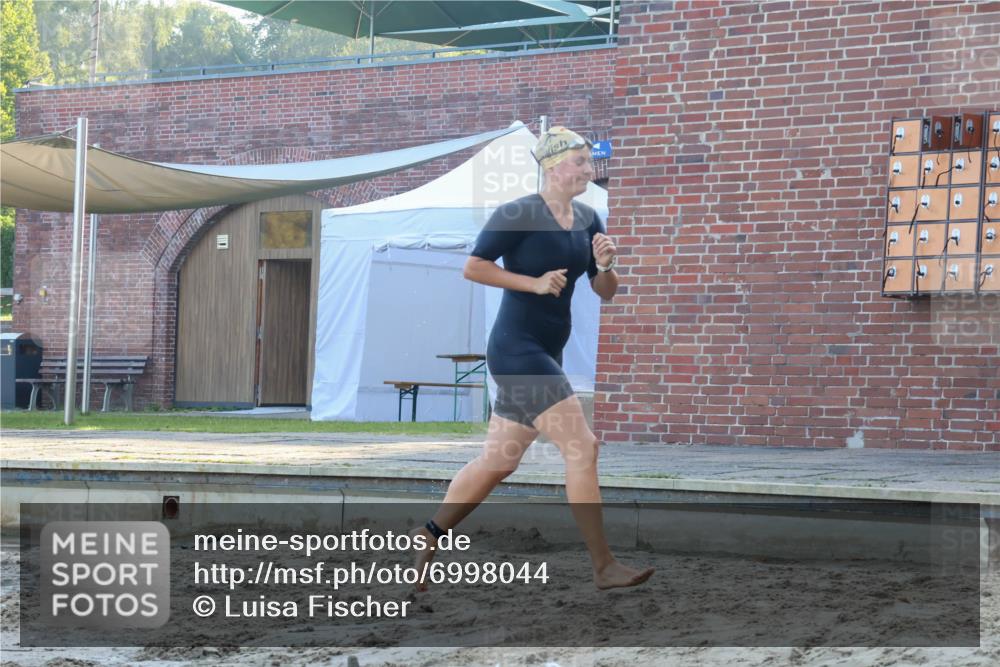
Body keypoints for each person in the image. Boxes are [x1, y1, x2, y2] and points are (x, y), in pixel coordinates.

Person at [413, 126, 654, 591]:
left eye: (590, 162)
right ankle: (604, 566)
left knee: (498, 462)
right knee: (582, 447)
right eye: (580, 161)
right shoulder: (519, 212)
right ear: (553, 165)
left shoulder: (588, 219)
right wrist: (534, 283)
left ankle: (428, 534)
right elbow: (474, 266)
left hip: (546, 351)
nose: (589, 170)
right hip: (516, 350)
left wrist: (606, 265)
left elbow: (605, 291)